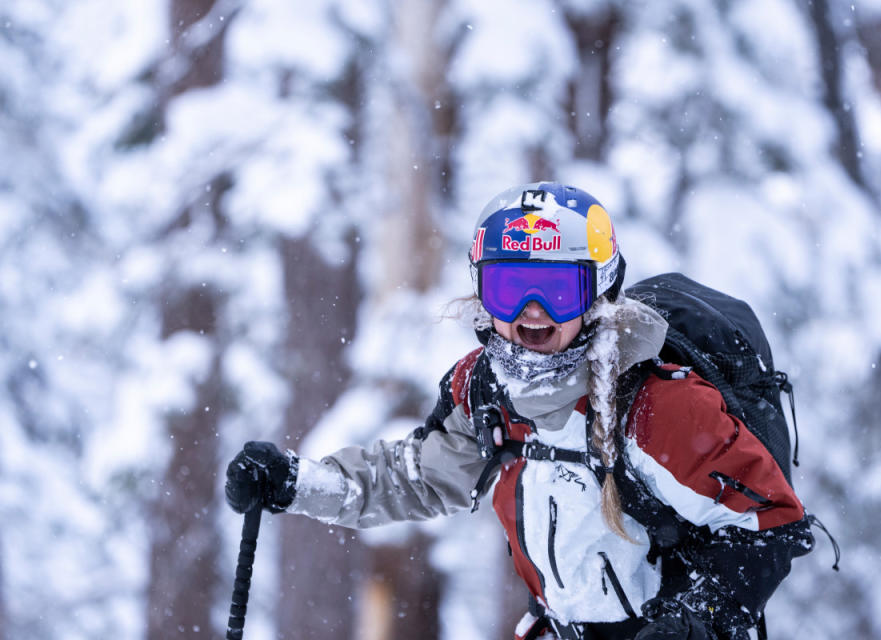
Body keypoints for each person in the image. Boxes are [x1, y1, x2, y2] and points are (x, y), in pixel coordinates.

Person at [225, 182, 814, 640]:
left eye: (557, 290)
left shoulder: (657, 407)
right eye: (511, 289)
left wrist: (692, 623)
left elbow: (768, 523)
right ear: (484, 293)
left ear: (597, 295)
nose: (531, 313)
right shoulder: (487, 391)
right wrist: (297, 484)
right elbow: (412, 478)